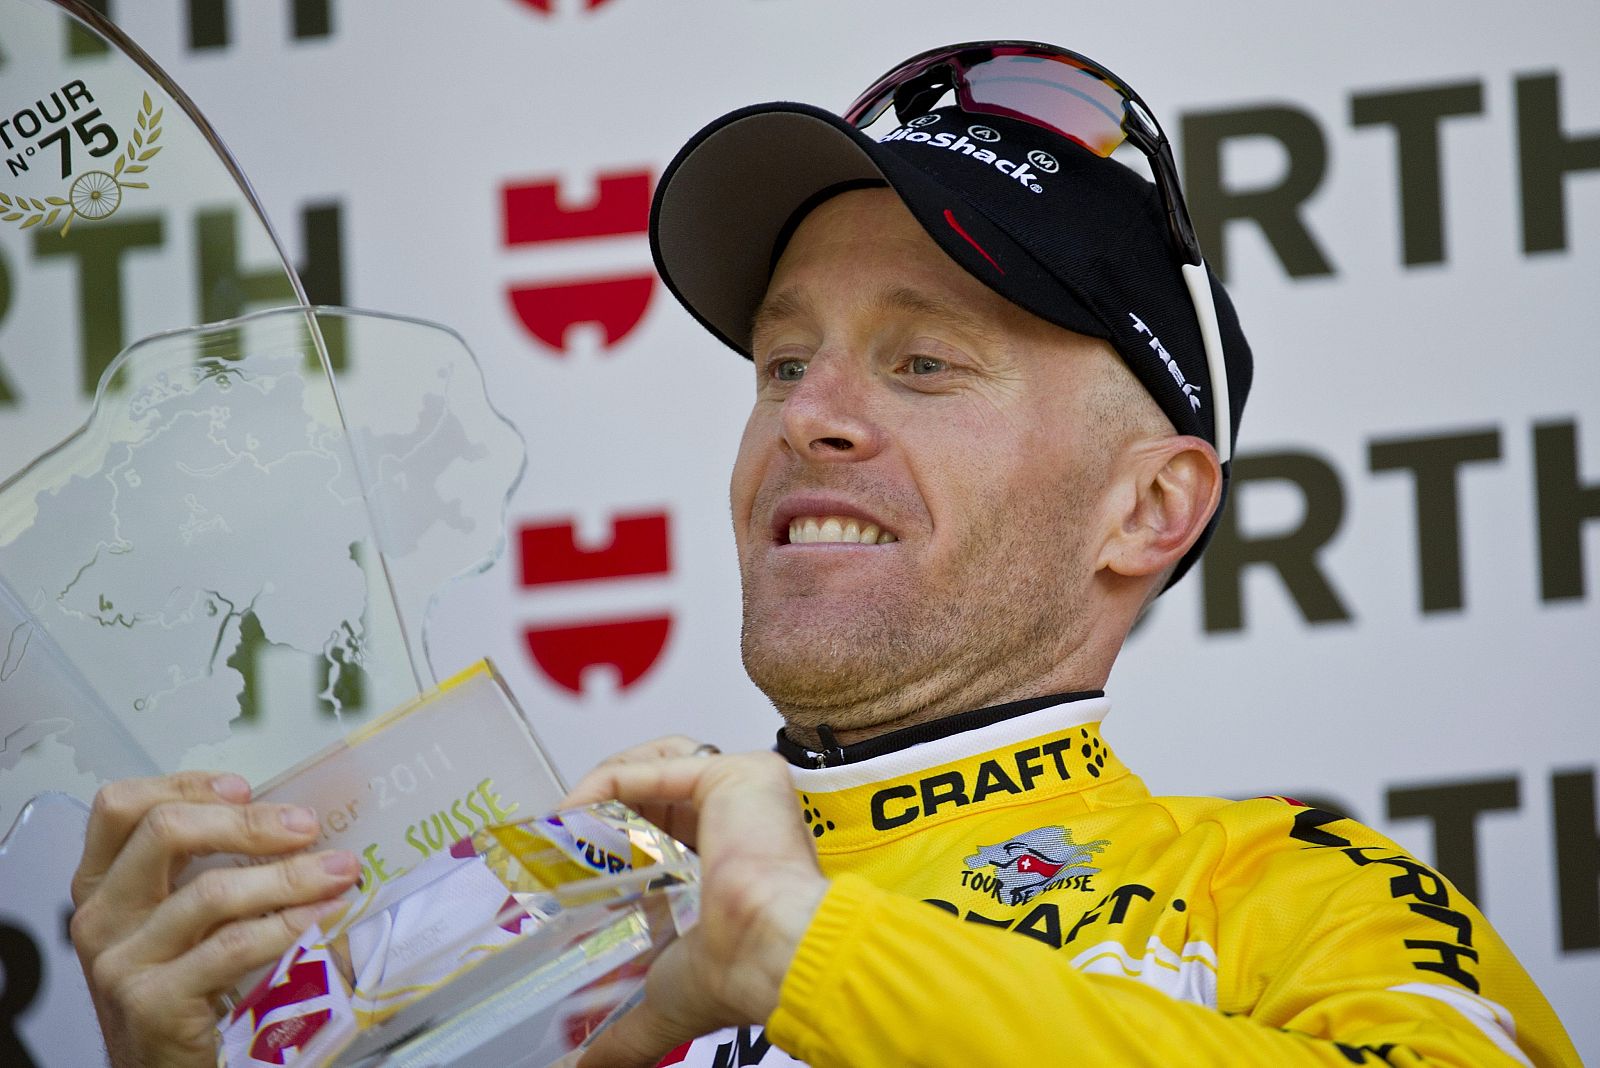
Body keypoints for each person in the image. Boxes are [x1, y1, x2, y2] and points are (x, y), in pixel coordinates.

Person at [70, 41, 1579, 1068]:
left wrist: (810, 951)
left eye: (923, 365)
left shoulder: (1296, 898)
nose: (814, 420)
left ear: (1150, 508)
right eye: (784, 365)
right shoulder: (520, 917)